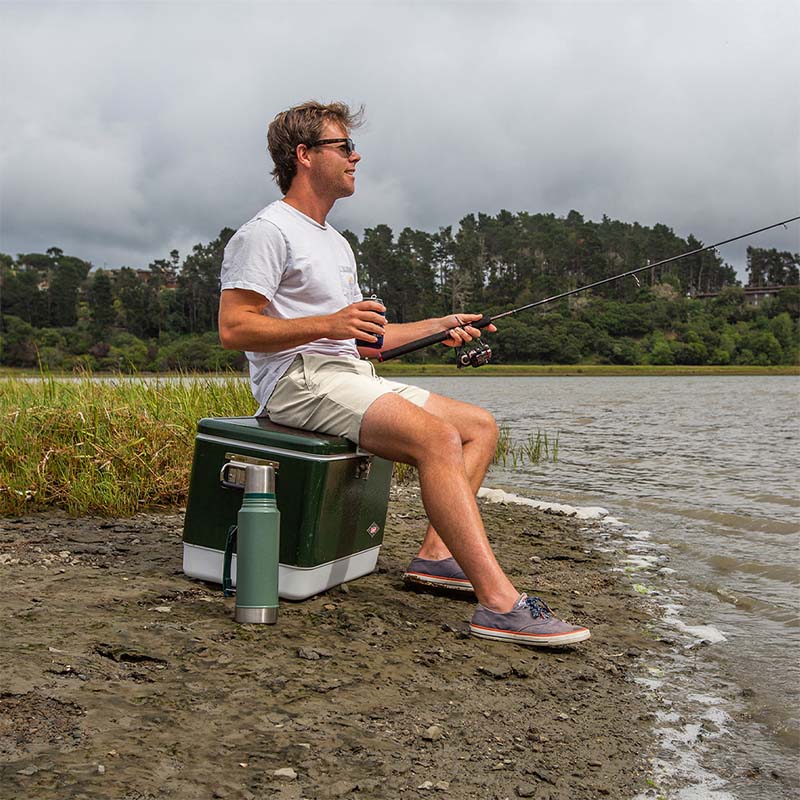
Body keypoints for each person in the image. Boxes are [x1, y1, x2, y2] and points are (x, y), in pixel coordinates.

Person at [218, 100, 590, 647]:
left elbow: (366, 343)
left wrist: (439, 326)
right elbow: (235, 328)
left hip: (345, 374)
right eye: (343, 146)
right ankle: (500, 605)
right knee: (435, 438)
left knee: (478, 427)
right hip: (297, 381)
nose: (355, 155)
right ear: (304, 155)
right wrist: (331, 321)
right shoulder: (267, 232)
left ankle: (437, 558)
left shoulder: (334, 240)